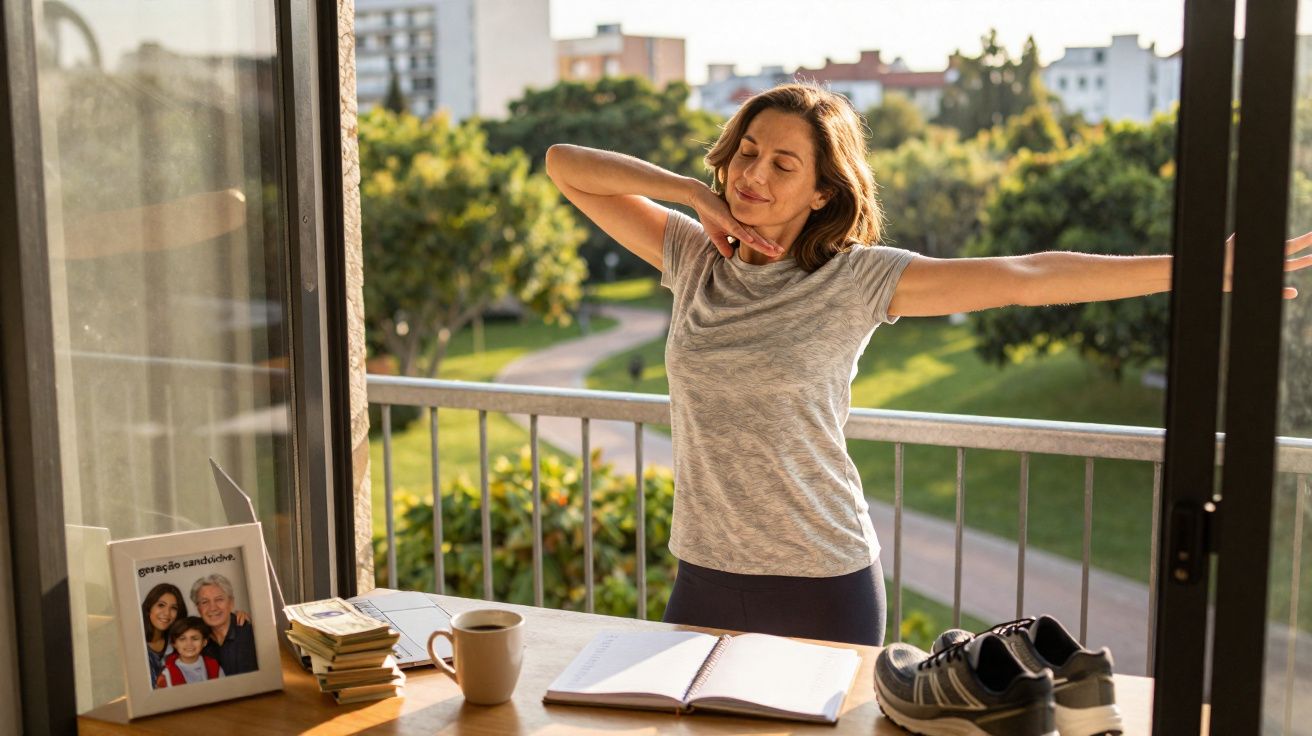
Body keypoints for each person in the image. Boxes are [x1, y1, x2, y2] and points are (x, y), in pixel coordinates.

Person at [544, 83, 1312, 647]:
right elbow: (565, 164)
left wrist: (1197, 268)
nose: (755, 175)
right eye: (748, 152)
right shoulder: (692, 256)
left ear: (821, 192)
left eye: (785, 164)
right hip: (703, 572)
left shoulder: (857, 279)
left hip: (822, 579)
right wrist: (685, 191)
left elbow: (1028, 276)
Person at [192, 573, 258, 676]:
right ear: (198, 608)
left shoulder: (253, 633)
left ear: (231, 603)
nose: (212, 608)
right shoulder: (195, 640)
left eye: (219, 599)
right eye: (205, 602)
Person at [155, 617, 224, 687]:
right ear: (174, 644)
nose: (189, 644)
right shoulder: (166, 674)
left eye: (195, 638)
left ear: (204, 642)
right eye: (182, 639)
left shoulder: (214, 666)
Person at [141, 583, 184, 688]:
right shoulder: (134, 643)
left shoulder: (180, 643)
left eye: (173, 608)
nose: (167, 613)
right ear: (149, 608)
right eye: (161, 605)